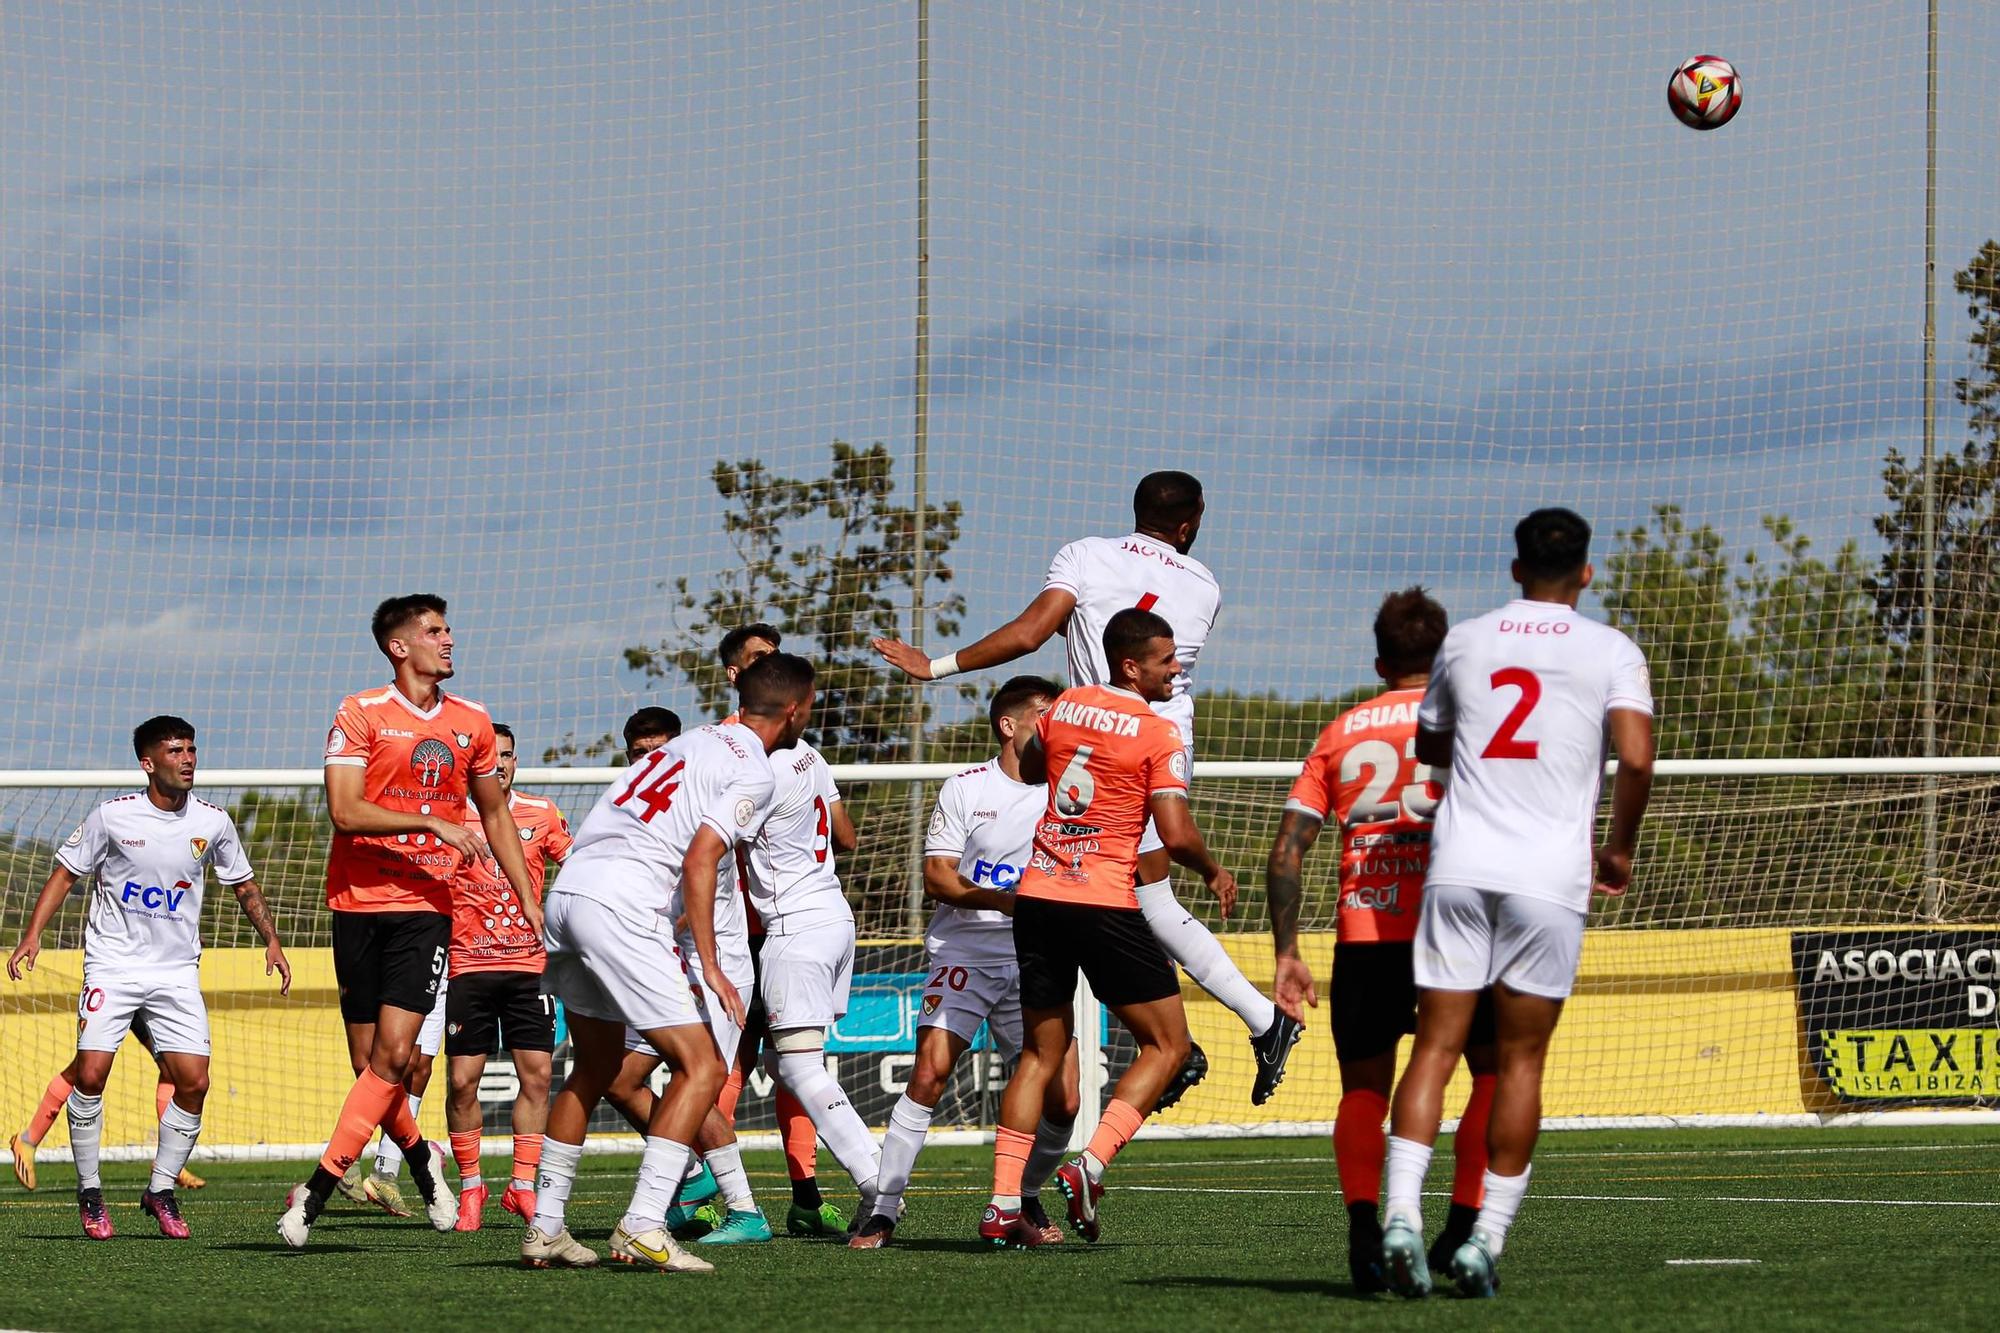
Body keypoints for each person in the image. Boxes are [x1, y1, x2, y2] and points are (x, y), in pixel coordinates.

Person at [874, 472, 1301, 1103]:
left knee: (1127, 899)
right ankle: (1203, 1033)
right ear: (1189, 524)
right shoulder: (1205, 583)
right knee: (1122, 896)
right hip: (1163, 748)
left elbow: (1028, 633)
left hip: (1105, 749)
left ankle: (1233, 1028)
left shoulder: (1084, 554)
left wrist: (933, 667)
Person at [1380, 509, 1655, 1299]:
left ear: (1515, 568)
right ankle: (1482, 1242)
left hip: (1461, 865)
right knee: (1520, 1060)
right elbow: (1635, 756)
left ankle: (1402, 1216)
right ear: (1588, 573)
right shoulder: (1611, 650)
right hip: (1547, 876)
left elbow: (1431, 744)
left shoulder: (1467, 638)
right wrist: (1621, 845)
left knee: (1433, 1046)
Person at [524, 652, 812, 1273]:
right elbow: (702, 858)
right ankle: (644, 1224)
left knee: (597, 1066)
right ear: (794, 710)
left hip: (569, 894)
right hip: (624, 904)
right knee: (702, 1066)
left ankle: (546, 1228)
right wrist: (710, 963)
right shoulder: (756, 771)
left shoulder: (681, 745)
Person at [277, 594, 540, 1248]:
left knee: (395, 1056)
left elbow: (497, 815)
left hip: (426, 906)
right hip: (356, 904)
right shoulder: (359, 712)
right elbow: (344, 809)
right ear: (400, 647)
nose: (448, 639)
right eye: (433, 630)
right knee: (371, 1064)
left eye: (448, 627)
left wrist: (528, 896)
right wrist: (430, 819)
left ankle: (315, 1189)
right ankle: (423, 1161)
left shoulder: (473, 721)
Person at [979, 608, 1237, 1248]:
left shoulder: (1063, 707)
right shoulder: (1158, 734)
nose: (1176, 669)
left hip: (1038, 896)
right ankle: (1089, 1165)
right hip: (1102, 902)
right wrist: (1212, 869)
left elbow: (1037, 767)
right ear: (1131, 664)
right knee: (1169, 1047)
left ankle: (1003, 1204)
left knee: (1040, 1056)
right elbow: (1174, 835)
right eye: (1166, 659)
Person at [1264, 588, 1498, 1292]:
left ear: (1378, 659)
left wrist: (1286, 951)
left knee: (1363, 1088)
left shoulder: (1342, 732)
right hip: (1457, 929)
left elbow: (1286, 851)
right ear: (1446, 654)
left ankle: (1366, 1230)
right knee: (1490, 1074)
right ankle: (1462, 1225)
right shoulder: (1469, 724)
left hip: (1366, 931)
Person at [6, 716, 290, 1239]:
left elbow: (244, 885)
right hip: (113, 965)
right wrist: (32, 935)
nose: (188, 759)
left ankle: (160, 1190)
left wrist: (270, 938)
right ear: (148, 763)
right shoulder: (112, 818)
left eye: (191, 749)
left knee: (194, 1082)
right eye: (176, 751)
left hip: (177, 972)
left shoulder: (213, 822)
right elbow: (66, 873)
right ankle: (90, 1191)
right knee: (89, 1074)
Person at [851, 675, 1080, 1250]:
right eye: (1046, 716)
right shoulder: (965, 786)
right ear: (1010, 726)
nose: (1058, 726)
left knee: (1066, 1099)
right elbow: (937, 878)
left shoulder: (1069, 788)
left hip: (1037, 959)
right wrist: (1008, 900)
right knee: (929, 1073)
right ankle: (883, 1209)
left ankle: (1020, 1196)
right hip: (964, 955)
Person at [444, 724, 573, 1230]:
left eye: (507, 756)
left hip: (530, 968)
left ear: (516, 762)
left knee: (538, 1077)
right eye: (490, 756)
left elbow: (578, 865)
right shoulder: (450, 819)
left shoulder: (542, 813)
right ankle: (472, 1186)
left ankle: (522, 1186)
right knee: (461, 1082)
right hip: (468, 966)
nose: (499, 764)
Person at [13, 1016, 213, 1194]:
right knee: (84, 1069)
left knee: (171, 1068)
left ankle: (169, 1162)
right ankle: (28, 1140)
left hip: (148, 991)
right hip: (119, 989)